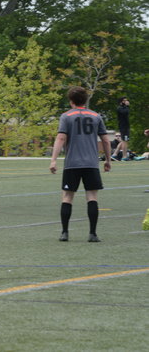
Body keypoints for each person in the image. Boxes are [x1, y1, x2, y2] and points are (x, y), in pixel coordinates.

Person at [49, 86, 111, 242]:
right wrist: (108, 160)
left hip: (72, 163)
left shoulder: (66, 116)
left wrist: (53, 159)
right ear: (86, 100)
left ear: (71, 101)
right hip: (91, 163)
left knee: (67, 197)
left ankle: (64, 233)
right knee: (92, 197)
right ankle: (93, 234)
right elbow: (105, 140)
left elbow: (61, 138)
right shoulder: (96, 116)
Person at [114, 96, 130, 160]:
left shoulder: (124, 108)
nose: (126, 101)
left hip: (125, 126)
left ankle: (115, 154)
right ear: (121, 102)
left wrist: (126, 106)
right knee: (125, 141)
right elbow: (125, 112)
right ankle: (124, 156)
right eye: (124, 100)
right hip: (123, 127)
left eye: (126, 100)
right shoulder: (120, 108)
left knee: (124, 141)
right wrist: (127, 106)